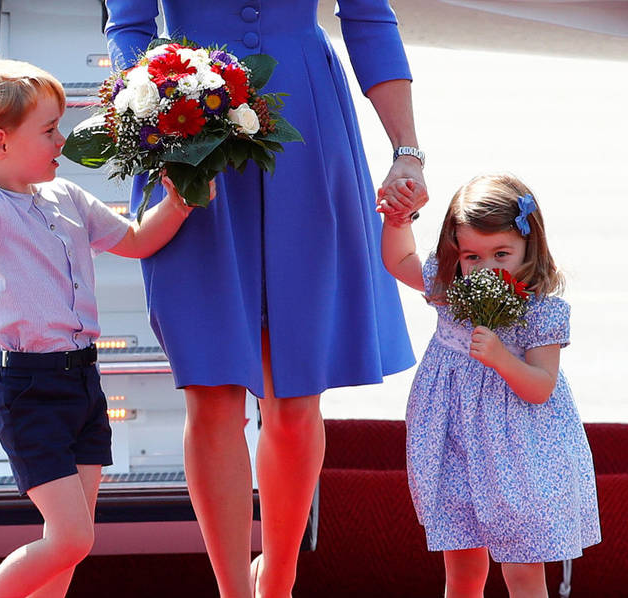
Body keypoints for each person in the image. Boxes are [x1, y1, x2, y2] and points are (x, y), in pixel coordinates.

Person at [103, 1, 428, 596]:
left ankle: (278, 577)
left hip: (308, 123)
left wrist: (407, 149)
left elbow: (368, 17)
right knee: (212, 388)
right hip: (187, 127)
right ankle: (233, 590)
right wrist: (155, 103)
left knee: (297, 389)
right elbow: (128, 24)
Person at [0, 57, 208, 598]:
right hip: (29, 387)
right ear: (1, 143)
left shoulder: (68, 199)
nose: (64, 139)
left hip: (82, 382)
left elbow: (134, 241)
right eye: (50, 130)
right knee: (71, 537)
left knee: (70, 547)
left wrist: (179, 203)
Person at [379, 173, 601, 597]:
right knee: (462, 571)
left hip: (517, 455)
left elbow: (540, 387)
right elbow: (399, 260)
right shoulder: (451, 291)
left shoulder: (540, 312)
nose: (487, 269)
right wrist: (397, 219)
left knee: (521, 571)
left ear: (528, 247)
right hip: (454, 444)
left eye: (502, 253)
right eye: (472, 257)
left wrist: (500, 358)